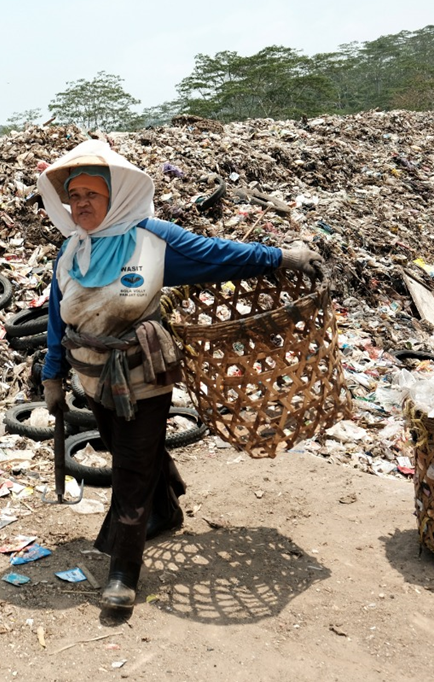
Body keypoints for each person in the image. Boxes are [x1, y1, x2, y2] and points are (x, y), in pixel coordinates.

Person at [36, 139, 322, 611]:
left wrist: (282, 257)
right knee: (124, 448)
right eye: (74, 196)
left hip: (143, 376)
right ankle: (166, 507)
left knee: (129, 467)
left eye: (92, 194)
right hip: (91, 378)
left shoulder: (152, 239)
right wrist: (52, 374)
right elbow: (56, 317)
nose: (81, 204)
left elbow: (218, 255)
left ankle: (124, 574)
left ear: (116, 195)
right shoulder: (71, 252)